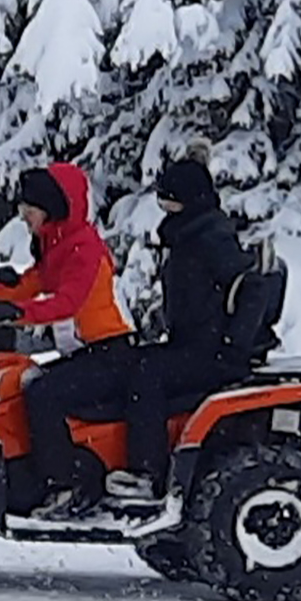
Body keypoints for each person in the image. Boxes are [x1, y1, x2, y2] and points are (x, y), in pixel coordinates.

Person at [0, 162, 133, 516]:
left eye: (31, 205)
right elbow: (30, 283)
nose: (23, 213)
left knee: (42, 394)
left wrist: (16, 315)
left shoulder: (84, 248)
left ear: (54, 205)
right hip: (83, 353)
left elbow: (68, 302)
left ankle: (66, 484)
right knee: (23, 380)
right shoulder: (58, 243)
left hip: (108, 354)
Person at [120, 154, 261, 491]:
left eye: (168, 200)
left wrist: (233, 346)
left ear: (187, 199)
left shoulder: (209, 237)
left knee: (145, 375)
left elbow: (251, 285)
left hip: (210, 350)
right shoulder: (192, 233)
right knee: (137, 363)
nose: (164, 208)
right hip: (194, 341)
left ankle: (147, 471)